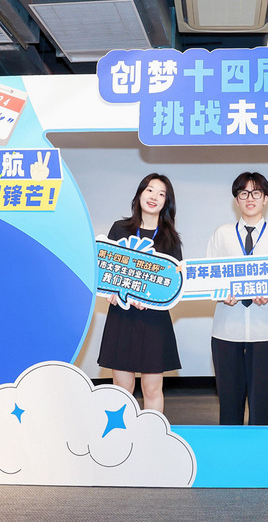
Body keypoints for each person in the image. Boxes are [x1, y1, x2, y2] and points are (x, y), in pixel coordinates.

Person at [206, 172, 268, 425]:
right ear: (236, 200)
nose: (250, 198)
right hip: (227, 328)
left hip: (265, 327)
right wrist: (221, 294)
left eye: (256, 193)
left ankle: (262, 448)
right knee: (228, 404)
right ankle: (230, 448)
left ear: (265, 198)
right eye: (243, 193)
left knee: (261, 403)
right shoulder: (221, 234)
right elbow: (207, 277)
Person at [98, 173, 182, 413]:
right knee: (122, 389)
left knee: (152, 389)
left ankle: (153, 434)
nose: (154, 197)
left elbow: (175, 285)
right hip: (122, 317)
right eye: (150, 190)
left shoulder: (170, 238)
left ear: (166, 202)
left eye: (161, 194)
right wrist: (110, 291)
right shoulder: (119, 229)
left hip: (154, 322)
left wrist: (152, 300)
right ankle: (122, 435)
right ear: (140, 194)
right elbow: (105, 270)